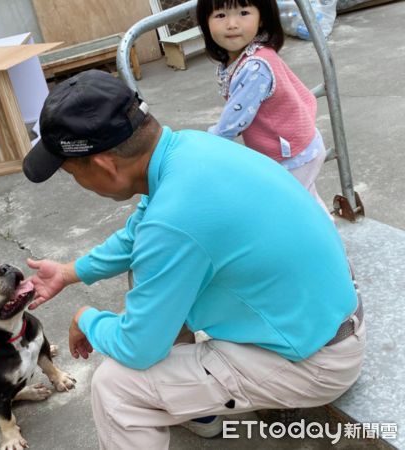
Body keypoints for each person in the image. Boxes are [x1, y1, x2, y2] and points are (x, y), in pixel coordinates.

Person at [22, 69, 365, 449]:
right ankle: (198, 410)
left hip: (317, 362)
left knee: (116, 386)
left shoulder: (172, 221)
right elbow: (139, 234)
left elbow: (138, 348)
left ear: (104, 165)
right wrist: (70, 273)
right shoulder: (187, 150)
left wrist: (86, 318)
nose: (77, 183)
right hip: (319, 320)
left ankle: (181, 404)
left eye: (72, 173)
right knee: (150, 278)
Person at [197, 0, 330, 215]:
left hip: (292, 154)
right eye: (220, 15)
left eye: (243, 13)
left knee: (293, 209)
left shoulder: (255, 66)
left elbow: (233, 121)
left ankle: (318, 243)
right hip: (297, 145)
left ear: (261, 20)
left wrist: (206, 142)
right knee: (306, 200)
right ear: (206, 22)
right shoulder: (240, 58)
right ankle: (326, 235)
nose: (232, 24)